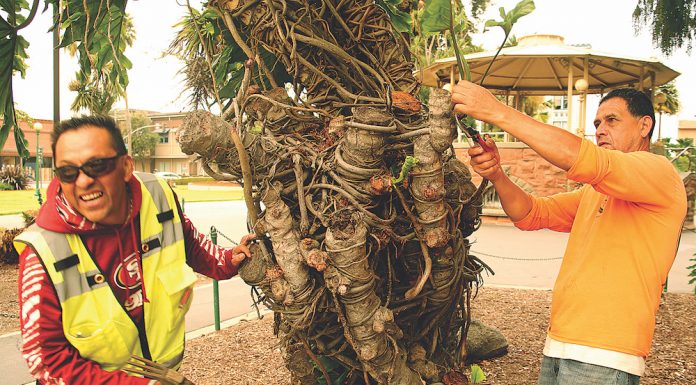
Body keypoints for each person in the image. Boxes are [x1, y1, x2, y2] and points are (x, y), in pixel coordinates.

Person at [452, 82, 686, 385]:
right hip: (560, 344)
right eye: (597, 123)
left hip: (605, 355)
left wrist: (496, 111)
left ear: (644, 126)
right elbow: (530, 214)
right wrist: (497, 174)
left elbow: (585, 159)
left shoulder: (659, 172)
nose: (601, 129)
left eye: (612, 120)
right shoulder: (595, 193)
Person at [14, 115, 255, 385]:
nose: (83, 181)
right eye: (68, 172)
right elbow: (47, 360)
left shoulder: (158, 195)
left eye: (97, 165)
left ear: (126, 166)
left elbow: (190, 243)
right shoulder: (42, 252)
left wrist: (225, 259)